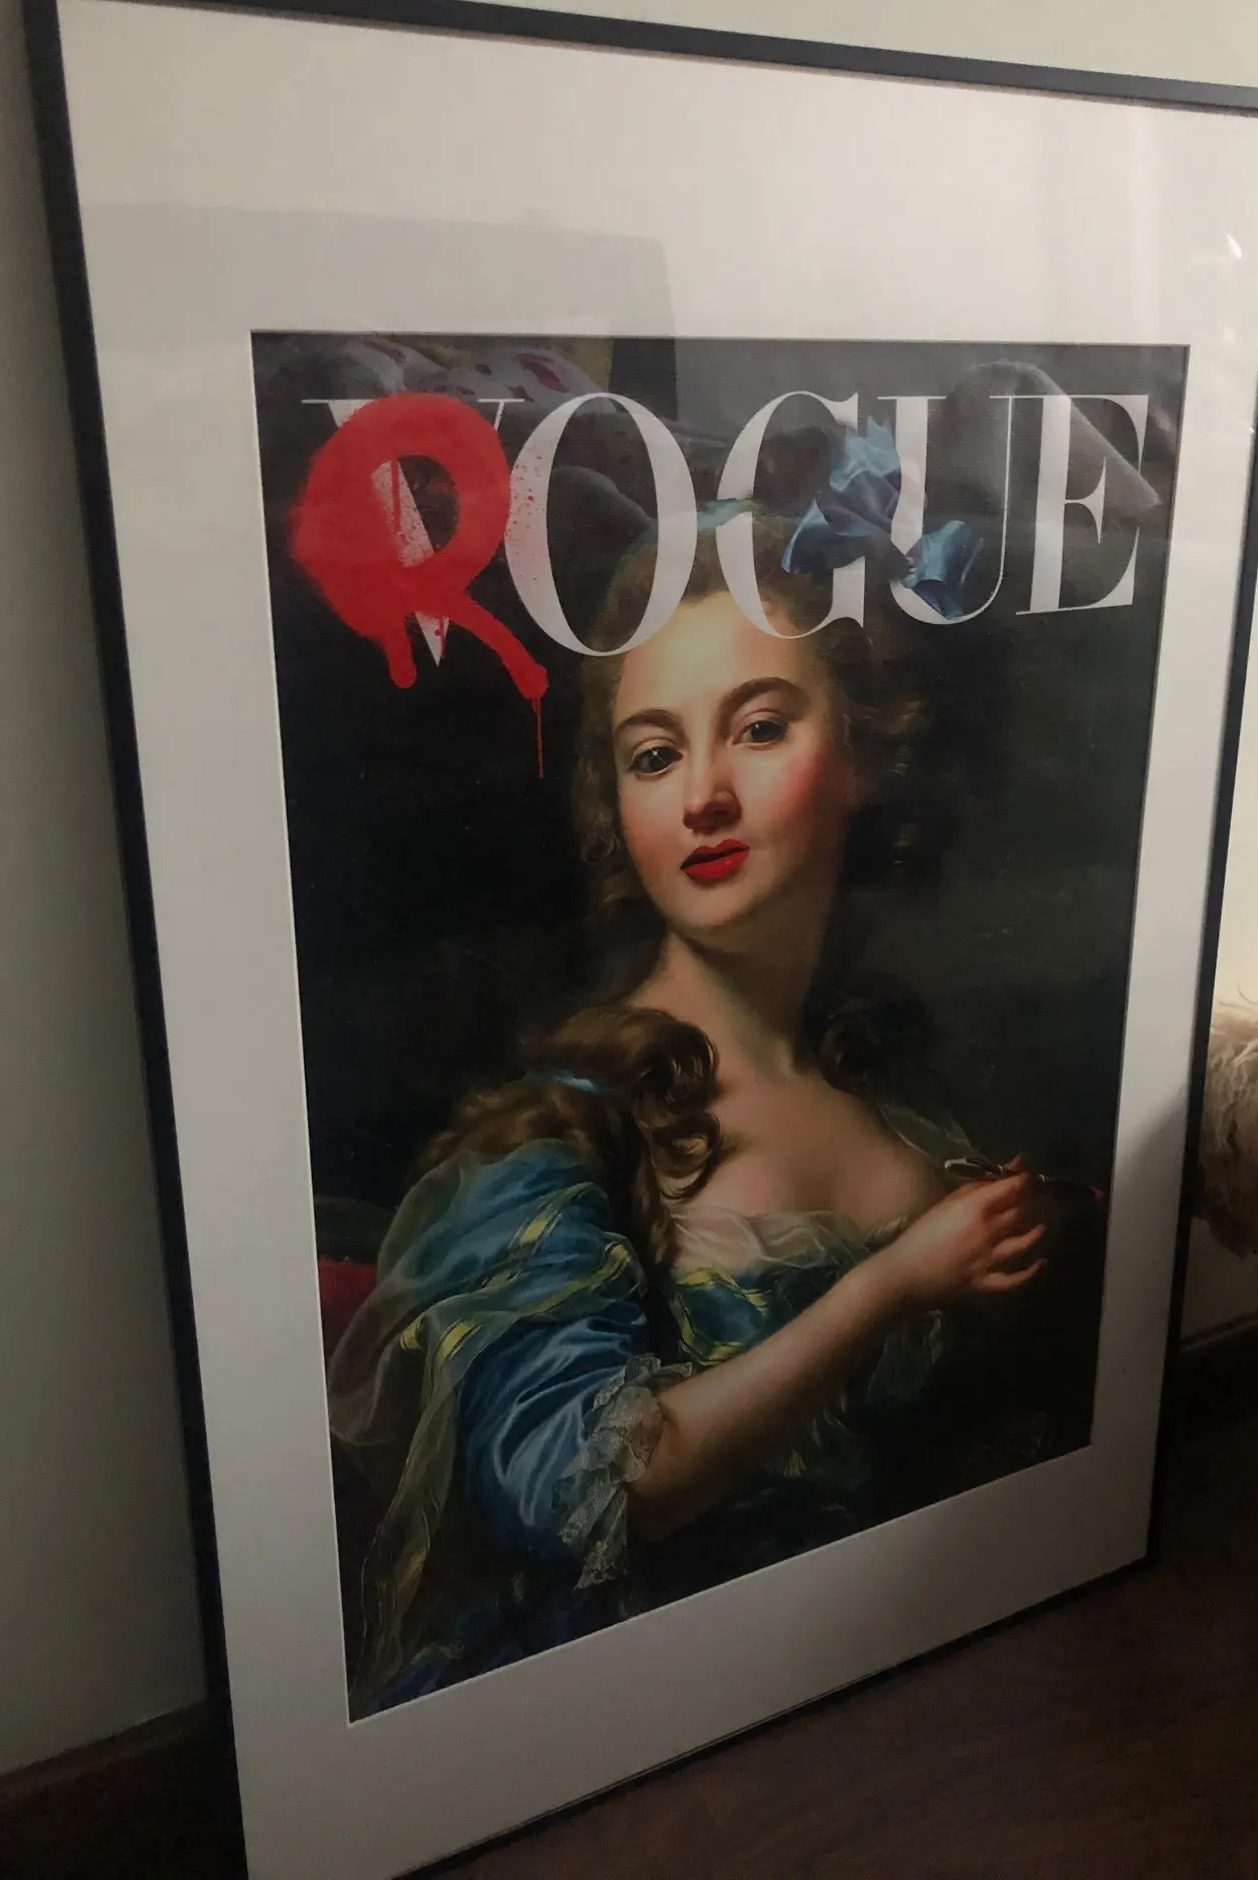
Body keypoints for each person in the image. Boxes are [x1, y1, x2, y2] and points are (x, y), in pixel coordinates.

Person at [327, 512, 1047, 1715]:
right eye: (655, 754)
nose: (705, 795)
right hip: (628, 1718)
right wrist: (888, 1287)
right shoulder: (556, 1141)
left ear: (864, 753)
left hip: (888, 1671)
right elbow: (588, 1494)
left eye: (759, 728)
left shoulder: (893, 1085)